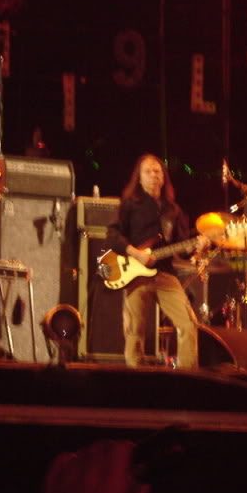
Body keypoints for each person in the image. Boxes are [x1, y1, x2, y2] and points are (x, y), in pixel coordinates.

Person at [107, 154, 204, 368]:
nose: (153, 175)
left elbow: (182, 248)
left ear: (164, 177)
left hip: (165, 274)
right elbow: (113, 235)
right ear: (139, 178)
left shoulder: (173, 210)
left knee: (188, 325)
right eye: (148, 171)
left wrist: (196, 246)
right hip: (135, 275)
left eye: (157, 171)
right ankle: (136, 378)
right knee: (135, 330)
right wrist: (135, 253)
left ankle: (189, 378)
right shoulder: (130, 204)